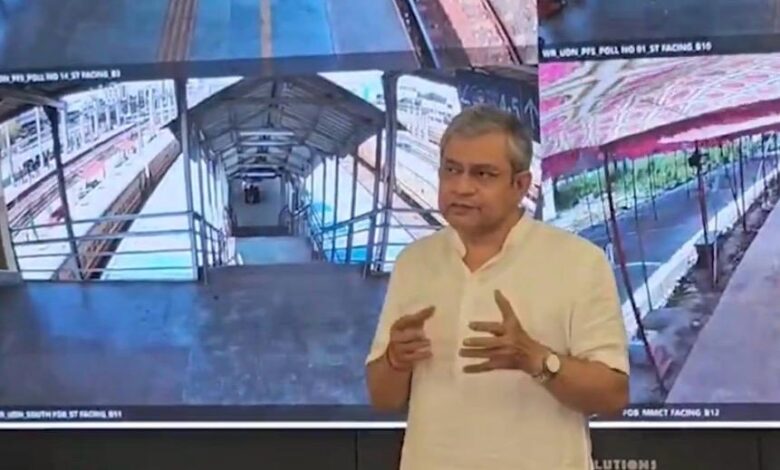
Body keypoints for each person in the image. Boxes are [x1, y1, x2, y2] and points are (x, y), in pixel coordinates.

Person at [365, 105, 629, 470]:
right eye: (451, 170)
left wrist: (537, 360)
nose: (461, 187)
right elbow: (383, 398)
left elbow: (613, 395)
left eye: (483, 174)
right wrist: (396, 359)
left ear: (520, 185)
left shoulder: (580, 262)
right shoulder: (414, 262)